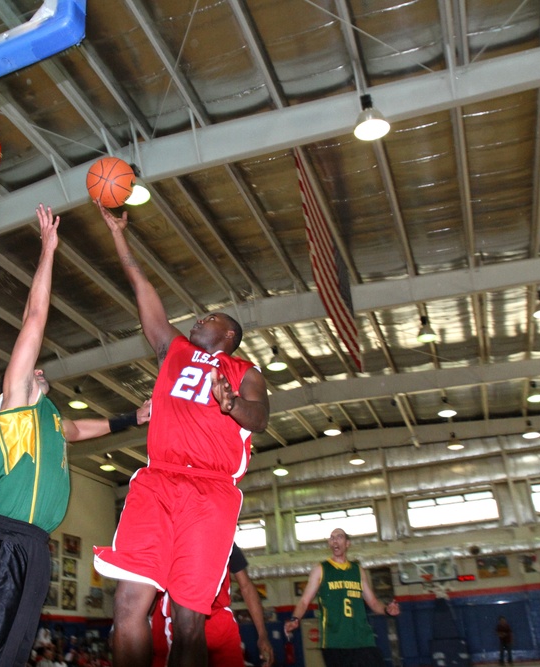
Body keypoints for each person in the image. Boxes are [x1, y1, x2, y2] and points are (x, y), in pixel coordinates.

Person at [0, 204, 151, 667]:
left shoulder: (51, 419)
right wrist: (48, 250)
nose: (36, 366)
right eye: (30, 366)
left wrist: (132, 418)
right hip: (9, 535)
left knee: (14, 652)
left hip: (37, 544)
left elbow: (80, 429)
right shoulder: (16, 405)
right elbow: (35, 316)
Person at [92, 202, 270, 667]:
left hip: (211, 491)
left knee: (191, 620)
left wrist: (232, 404)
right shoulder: (173, 349)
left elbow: (260, 418)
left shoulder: (244, 369)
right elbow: (142, 286)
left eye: (208, 318)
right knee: (129, 603)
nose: (197, 321)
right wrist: (117, 235)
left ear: (228, 334)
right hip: (158, 480)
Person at [284, 529, 400, 667]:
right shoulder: (321, 570)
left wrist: (387, 610)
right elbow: (304, 601)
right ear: (329, 543)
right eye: (332, 538)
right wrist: (294, 618)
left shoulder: (357, 571)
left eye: (339, 537)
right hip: (335, 642)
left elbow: (373, 602)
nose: (335, 540)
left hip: (362, 640)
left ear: (347, 543)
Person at [152, 544, 274, 667]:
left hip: (219, 620)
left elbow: (246, 586)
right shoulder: (169, 537)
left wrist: (262, 634)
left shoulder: (227, 540)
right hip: (182, 619)